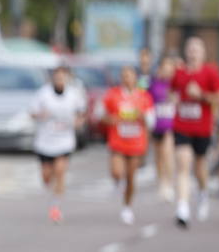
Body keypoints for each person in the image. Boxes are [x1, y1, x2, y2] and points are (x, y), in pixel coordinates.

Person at [170, 36, 219, 228]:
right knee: (183, 164)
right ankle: (183, 207)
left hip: (202, 128)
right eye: (190, 49)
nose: (193, 52)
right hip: (182, 126)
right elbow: (171, 93)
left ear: (203, 53)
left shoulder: (210, 73)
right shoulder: (178, 73)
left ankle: (203, 193)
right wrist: (174, 99)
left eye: (197, 49)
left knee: (200, 167)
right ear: (185, 52)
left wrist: (201, 95)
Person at [29, 65, 87, 224]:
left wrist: (78, 122)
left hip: (64, 140)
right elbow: (32, 112)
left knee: (60, 171)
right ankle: (51, 187)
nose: (60, 80)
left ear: (67, 78)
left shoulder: (74, 95)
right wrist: (40, 115)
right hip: (45, 141)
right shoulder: (43, 94)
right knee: (46, 176)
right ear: (53, 78)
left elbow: (82, 113)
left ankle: (55, 207)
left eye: (63, 77)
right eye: (57, 77)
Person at [98, 65, 155, 225]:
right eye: (124, 75)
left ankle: (127, 207)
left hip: (136, 143)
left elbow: (151, 122)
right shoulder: (113, 95)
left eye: (130, 75)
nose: (127, 78)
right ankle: (117, 183)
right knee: (117, 172)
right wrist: (111, 119)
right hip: (117, 141)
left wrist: (142, 116)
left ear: (135, 77)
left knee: (131, 178)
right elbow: (100, 115)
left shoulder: (144, 97)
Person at [147, 55, 178, 202]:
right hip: (156, 124)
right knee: (158, 156)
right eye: (165, 66)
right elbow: (147, 101)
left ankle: (169, 183)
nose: (167, 69)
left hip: (170, 125)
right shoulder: (154, 83)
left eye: (170, 66)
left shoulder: (175, 84)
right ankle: (161, 182)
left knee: (168, 154)